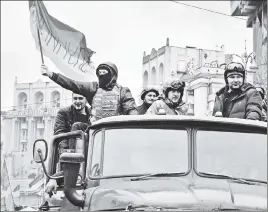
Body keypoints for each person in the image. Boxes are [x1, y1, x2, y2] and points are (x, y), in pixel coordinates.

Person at [41, 62, 138, 123]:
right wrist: (51, 74)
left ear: (113, 75)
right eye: (100, 73)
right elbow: (73, 84)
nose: (102, 75)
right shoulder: (93, 88)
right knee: (77, 127)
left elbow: (131, 110)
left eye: (105, 73)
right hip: (95, 130)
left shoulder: (122, 91)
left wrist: (132, 121)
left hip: (115, 130)